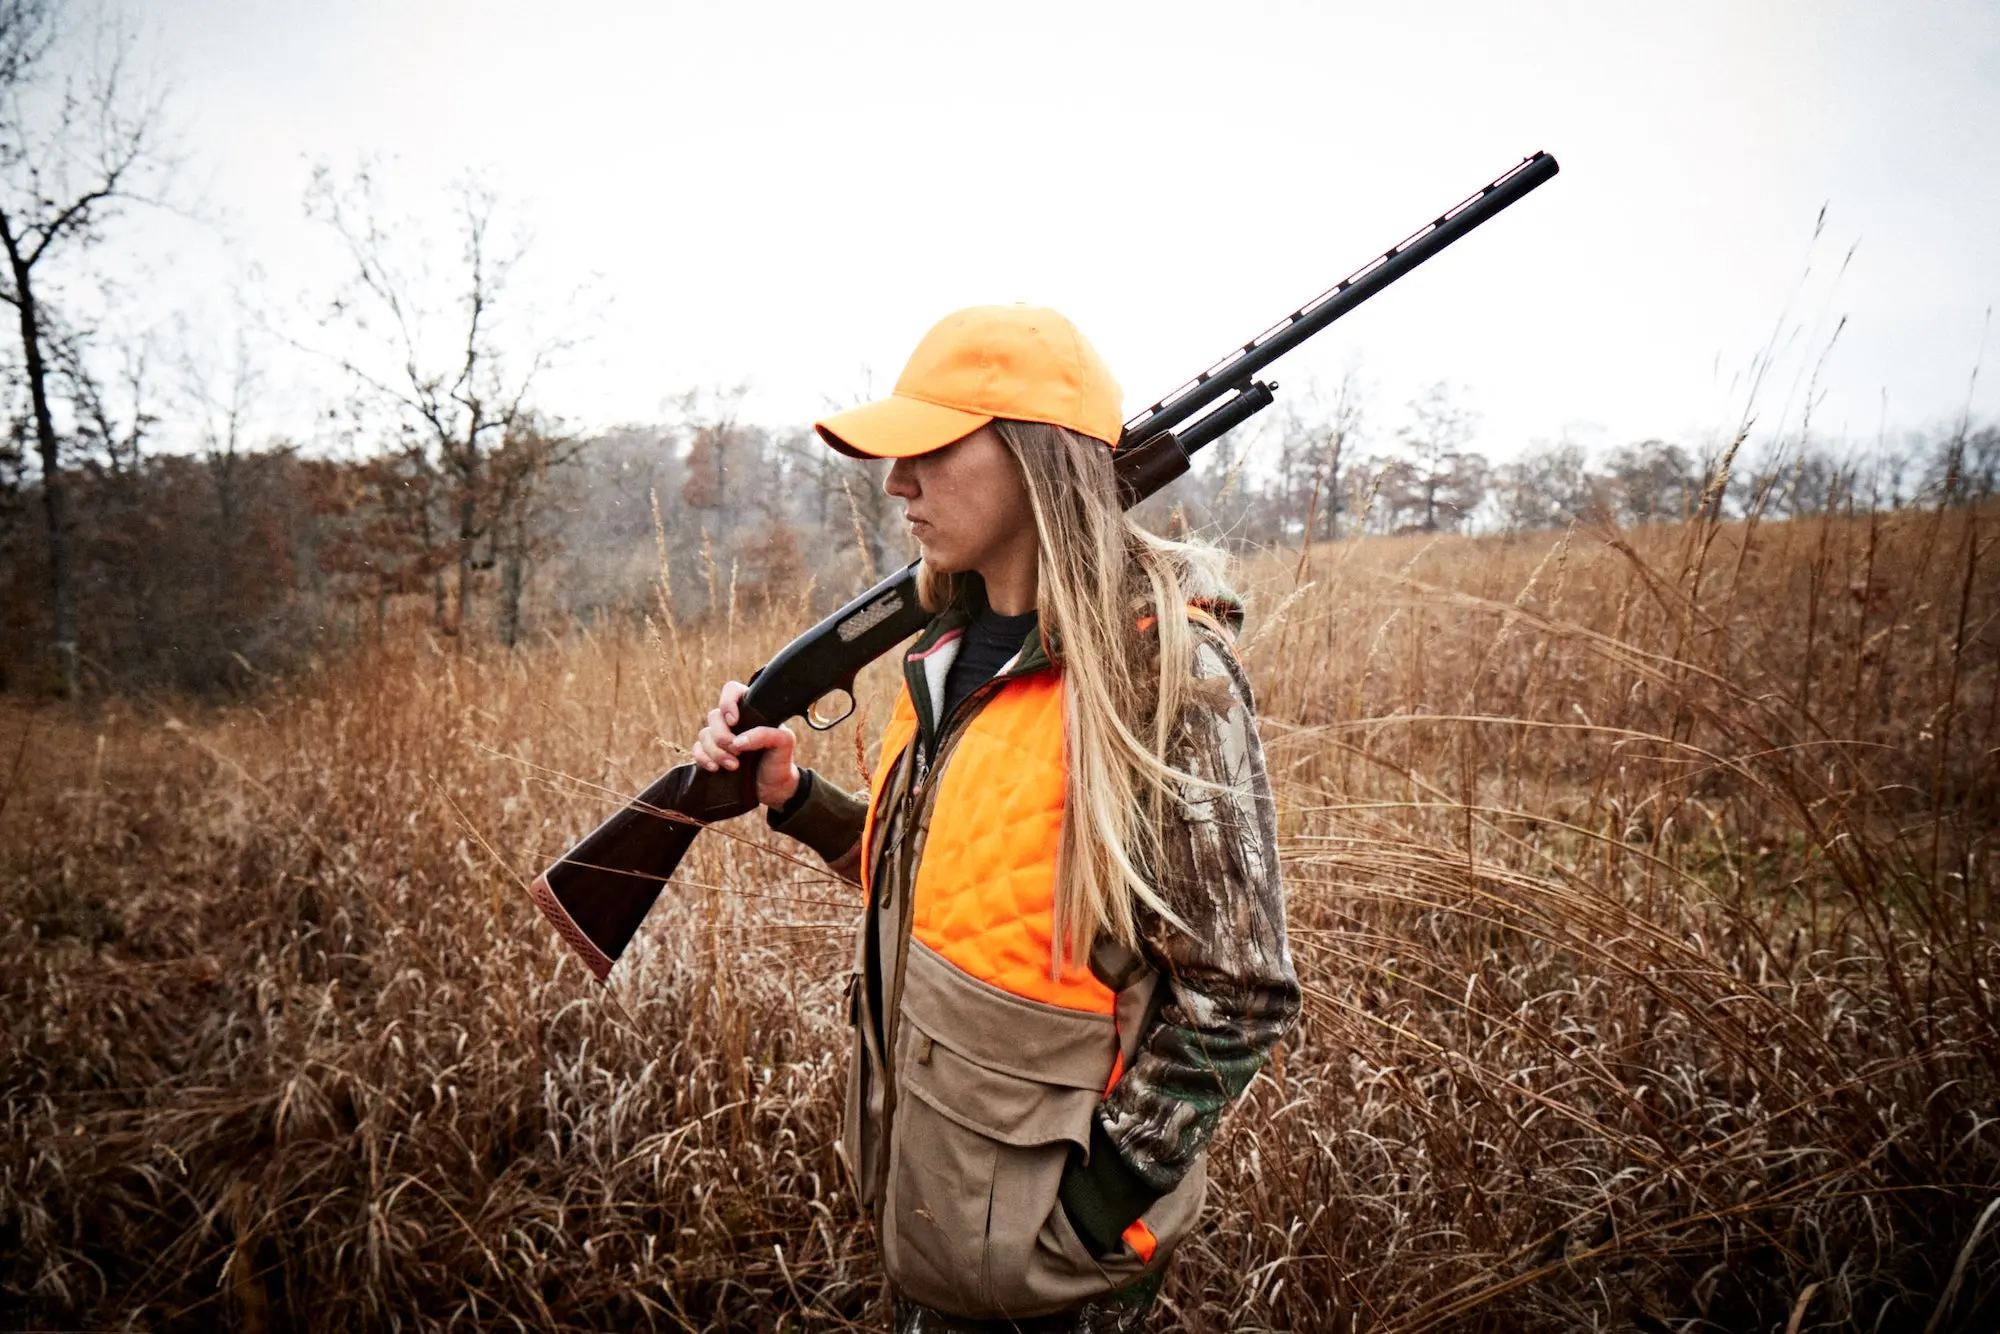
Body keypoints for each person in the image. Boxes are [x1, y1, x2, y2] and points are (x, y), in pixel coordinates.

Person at [691, 305, 1299, 1331]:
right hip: (926, 1214)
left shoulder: (1162, 673)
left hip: (1047, 1276)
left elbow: (1239, 992)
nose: (897, 483)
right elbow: (954, 886)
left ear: (1031, 459)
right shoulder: (945, 648)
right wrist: (795, 799)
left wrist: (1085, 1209)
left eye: (928, 449)